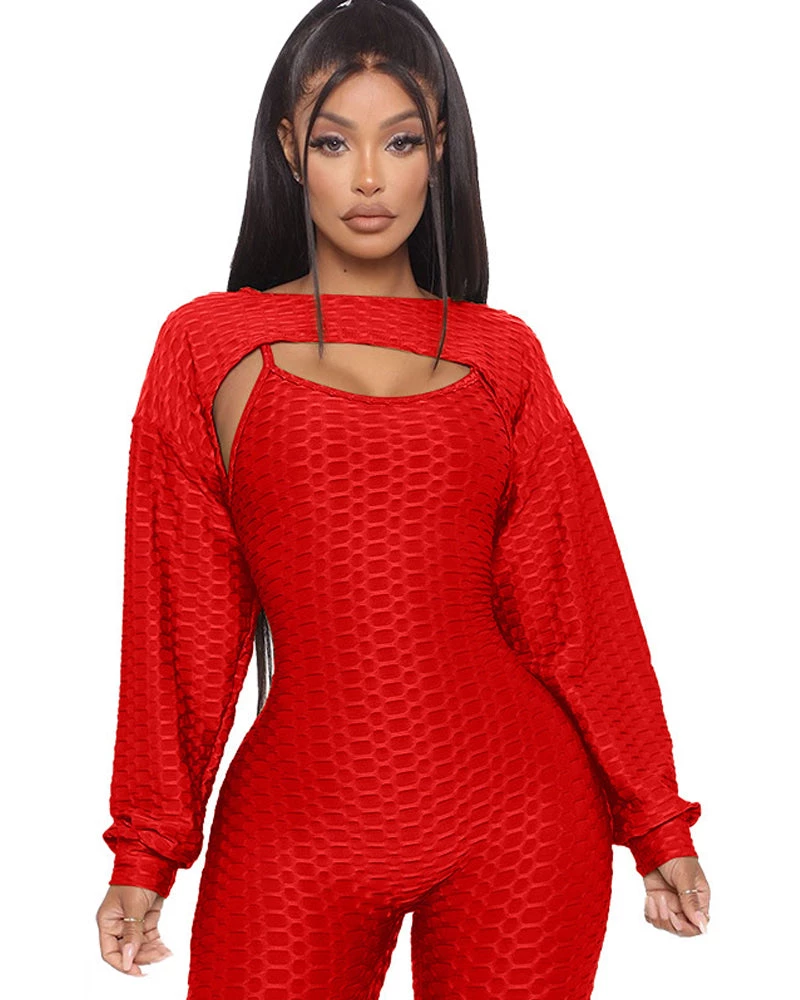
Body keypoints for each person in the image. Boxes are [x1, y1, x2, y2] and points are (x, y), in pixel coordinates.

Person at [95, 1, 710, 995]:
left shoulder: (503, 355)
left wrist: (656, 822)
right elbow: (181, 624)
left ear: (440, 150)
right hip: (298, 816)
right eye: (335, 142)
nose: (371, 179)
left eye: (403, 140)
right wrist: (146, 847)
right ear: (289, 149)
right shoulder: (206, 346)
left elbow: (575, 603)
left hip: (519, 810)